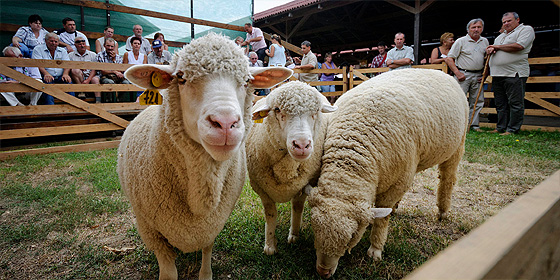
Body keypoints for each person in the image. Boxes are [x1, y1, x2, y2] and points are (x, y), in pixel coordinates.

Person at [486, 12, 535, 135]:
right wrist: (490, 49)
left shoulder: (526, 29)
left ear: (517, 20)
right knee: (500, 103)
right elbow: (495, 47)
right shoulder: (501, 36)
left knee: (515, 102)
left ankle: (512, 129)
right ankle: (500, 127)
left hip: (514, 73)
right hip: (497, 74)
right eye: (504, 22)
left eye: (509, 21)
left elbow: (519, 46)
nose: (506, 23)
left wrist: (496, 47)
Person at [445, 19, 489, 132]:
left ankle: (473, 125)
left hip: (478, 75)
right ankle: (457, 125)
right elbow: (449, 58)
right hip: (463, 74)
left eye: (479, 27)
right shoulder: (461, 41)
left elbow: (487, 60)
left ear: (482, 28)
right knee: (459, 100)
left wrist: (485, 74)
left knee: (477, 101)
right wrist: (457, 73)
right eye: (473, 27)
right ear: (468, 29)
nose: (476, 29)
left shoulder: (485, 42)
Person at [32, 32, 74, 105]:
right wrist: (46, 73)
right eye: (51, 41)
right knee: (48, 87)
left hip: (60, 76)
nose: (53, 43)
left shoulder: (62, 50)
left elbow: (67, 64)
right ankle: (50, 109)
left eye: (56, 41)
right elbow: (37, 64)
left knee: (69, 83)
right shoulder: (38, 49)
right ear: (46, 41)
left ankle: (72, 106)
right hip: (45, 75)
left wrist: (66, 74)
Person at [96, 38, 132, 102]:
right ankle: (110, 102)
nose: (110, 48)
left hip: (116, 76)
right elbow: (103, 71)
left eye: (112, 46)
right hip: (105, 76)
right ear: (104, 45)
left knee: (126, 83)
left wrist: (113, 60)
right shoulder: (100, 55)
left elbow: (120, 70)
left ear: (114, 47)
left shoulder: (118, 57)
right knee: (109, 82)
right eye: (108, 46)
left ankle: (122, 103)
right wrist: (114, 71)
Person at [69, 36, 101, 103]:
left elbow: (94, 69)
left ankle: (98, 100)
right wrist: (78, 66)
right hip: (78, 76)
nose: (82, 46)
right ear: (75, 45)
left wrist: (88, 79)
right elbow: (68, 67)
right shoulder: (70, 55)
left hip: (90, 75)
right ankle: (82, 91)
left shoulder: (93, 54)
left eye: (83, 44)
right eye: (80, 44)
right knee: (75, 70)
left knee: (95, 79)